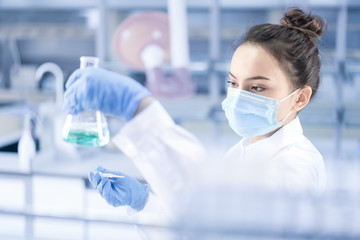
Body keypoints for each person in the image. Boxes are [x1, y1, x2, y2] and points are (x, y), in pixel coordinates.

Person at [63, 8, 327, 214]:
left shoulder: (297, 166)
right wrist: (145, 204)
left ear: (300, 99)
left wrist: (139, 110)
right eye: (233, 83)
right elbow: (198, 224)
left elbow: (228, 219)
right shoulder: (244, 150)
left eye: (257, 88)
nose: (238, 97)